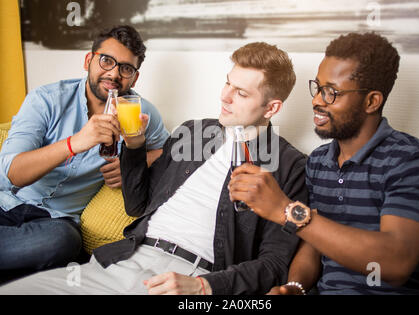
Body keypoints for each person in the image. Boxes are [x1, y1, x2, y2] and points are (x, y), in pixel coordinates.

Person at [0, 41, 308, 295]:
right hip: (122, 260)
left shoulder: (289, 165)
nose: (224, 97)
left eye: (240, 93)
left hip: (191, 277)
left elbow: (276, 263)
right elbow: (137, 205)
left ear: (272, 107)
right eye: (228, 83)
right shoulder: (195, 133)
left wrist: (204, 287)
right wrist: (134, 146)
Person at [228, 32, 419, 294]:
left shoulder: (412, 161)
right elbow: (315, 241)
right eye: (318, 87)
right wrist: (295, 287)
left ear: (371, 102)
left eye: (331, 92)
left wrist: (284, 209)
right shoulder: (319, 163)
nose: (317, 100)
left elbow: (395, 262)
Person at [0, 25, 169, 273]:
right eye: (106, 61)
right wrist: (75, 142)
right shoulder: (45, 99)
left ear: (134, 77)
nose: (114, 74)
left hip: (54, 223)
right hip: (5, 203)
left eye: (125, 68)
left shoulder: (140, 112)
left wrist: (137, 163)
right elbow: (12, 173)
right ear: (88, 60)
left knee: (64, 243)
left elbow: (174, 152)